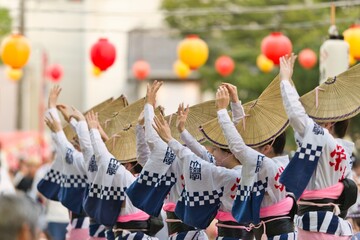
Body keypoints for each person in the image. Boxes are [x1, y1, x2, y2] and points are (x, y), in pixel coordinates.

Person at [279, 54, 358, 239]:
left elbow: (298, 117)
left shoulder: (324, 139)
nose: (313, 121)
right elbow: (301, 118)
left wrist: (284, 81)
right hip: (325, 222)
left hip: (317, 227)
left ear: (329, 123)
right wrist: (289, 82)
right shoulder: (344, 151)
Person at [212, 77, 296, 239]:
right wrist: (236, 103)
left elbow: (238, 146)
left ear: (266, 148)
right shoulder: (275, 163)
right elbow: (243, 141)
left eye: (254, 145)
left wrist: (222, 112)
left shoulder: (267, 165)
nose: (248, 147)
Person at [126, 81, 209, 239]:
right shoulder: (177, 158)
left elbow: (151, 141)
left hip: (189, 233)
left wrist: (149, 106)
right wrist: (140, 127)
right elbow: (145, 158)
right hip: (179, 233)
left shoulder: (198, 158)